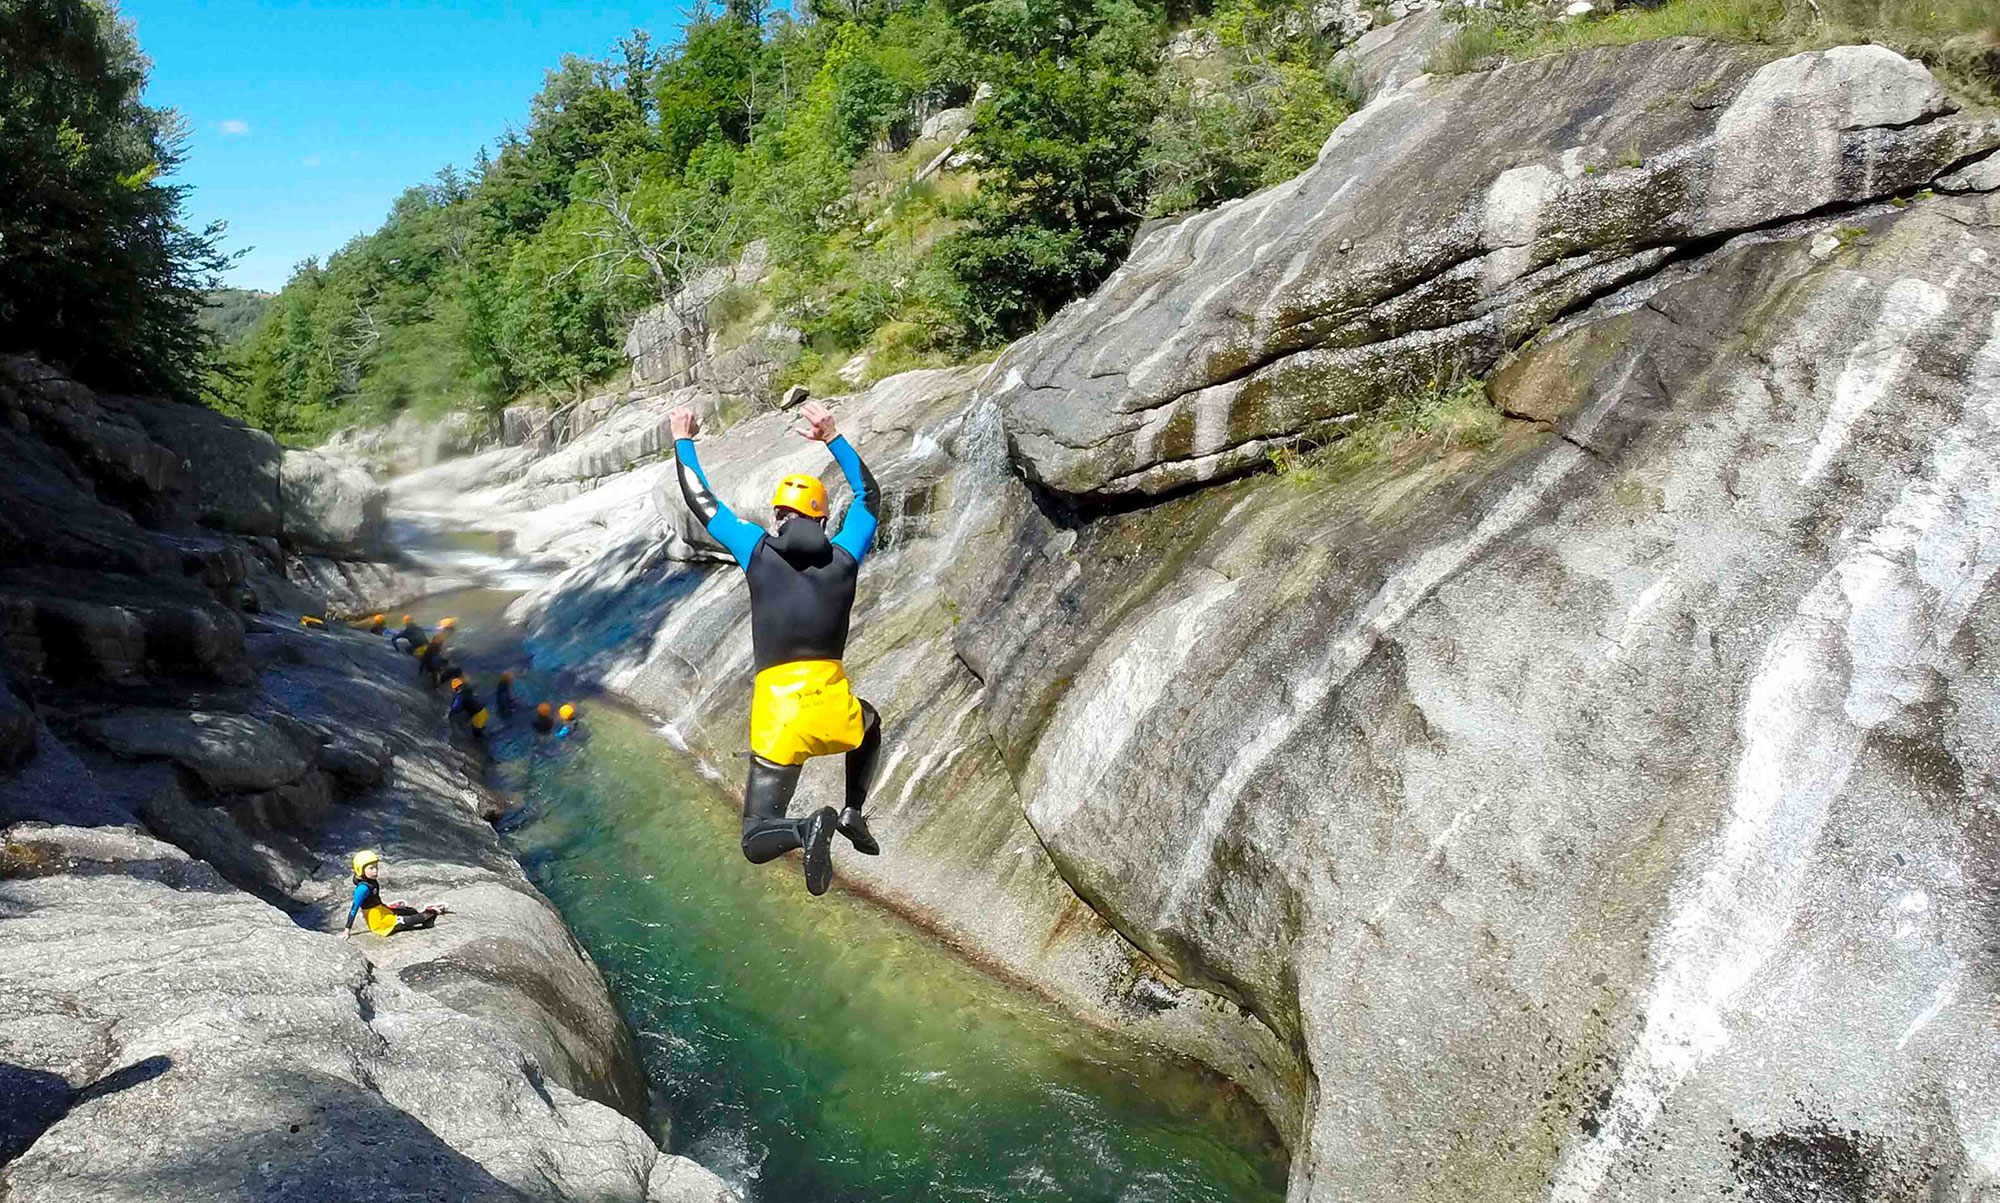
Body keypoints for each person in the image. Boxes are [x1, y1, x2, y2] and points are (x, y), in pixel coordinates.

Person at [671, 399, 883, 897]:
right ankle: (853, 809)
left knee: (754, 834)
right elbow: (870, 497)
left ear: (779, 516)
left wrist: (684, 439)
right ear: (824, 517)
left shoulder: (756, 548)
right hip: (834, 705)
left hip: (780, 715)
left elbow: (701, 501)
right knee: (869, 723)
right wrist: (832, 435)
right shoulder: (845, 554)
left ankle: (803, 829)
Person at [343, 850, 448, 938]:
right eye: (371, 868)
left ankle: (392, 909)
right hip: (381, 923)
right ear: (360, 870)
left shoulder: (370, 881)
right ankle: (432, 911)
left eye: (376, 867)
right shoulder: (362, 889)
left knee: (412, 911)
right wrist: (347, 929)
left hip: (381, 910)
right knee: (417, 919)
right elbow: (354, 908)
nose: (375, 871)